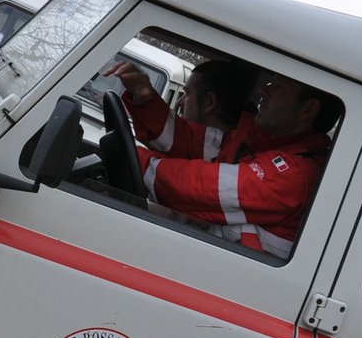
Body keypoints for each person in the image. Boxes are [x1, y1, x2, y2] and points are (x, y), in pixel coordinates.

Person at [134, 70, 341, 260]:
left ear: (308, 109)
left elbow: (198, 189)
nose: (263, 89)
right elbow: (188, 141)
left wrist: (138, 161)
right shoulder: (261, 142)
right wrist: (144, 101)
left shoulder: (296, 175)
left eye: (278, 84)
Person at [106, 58, 264, 161]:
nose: (179, 103)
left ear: (209, 102)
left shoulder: (231, 156)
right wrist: (144, 100)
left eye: (187, 94)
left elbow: (178, 138)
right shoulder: (214, 150)